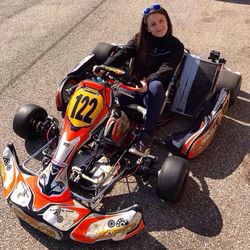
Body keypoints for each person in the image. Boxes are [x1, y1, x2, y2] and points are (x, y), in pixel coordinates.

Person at [93, 4, 184, 156]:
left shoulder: (176, 46)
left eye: (162, 21)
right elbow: (123, 54)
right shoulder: (139, 39)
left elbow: (166, 68)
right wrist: (104, 66)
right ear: (147, 28)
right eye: (153, 24)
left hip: (155, 91)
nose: (159, 26)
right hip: (132, 85)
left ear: (167, 21)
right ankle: (104, 126)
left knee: (155, 86)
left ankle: (147, 136)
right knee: (110, 92)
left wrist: (147, 81)